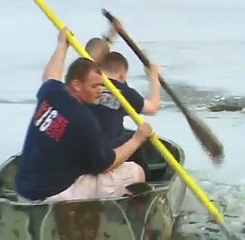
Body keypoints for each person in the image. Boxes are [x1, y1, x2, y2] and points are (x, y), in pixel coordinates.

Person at [15, 27, 153, 202]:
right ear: (77, 85)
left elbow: (50, 75)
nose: (101, 91)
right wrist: (137, 139)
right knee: (135, 171)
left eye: (102, 85)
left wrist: (62, 45)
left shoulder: (52, 93)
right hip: (56, 197)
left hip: (24, 191)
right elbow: (106, 164)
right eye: (95, 86)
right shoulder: (84, 120)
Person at [88, 51, 161, 148]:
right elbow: (153, 109)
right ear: (122, 75)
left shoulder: (88, 86)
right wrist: (154, 79)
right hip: (107, 150)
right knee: (138, 136)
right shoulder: (123, 91)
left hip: (85, 143)